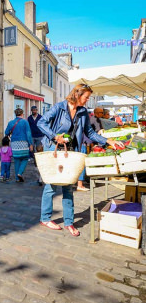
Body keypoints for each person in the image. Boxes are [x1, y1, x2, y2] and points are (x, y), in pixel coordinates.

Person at [37, 84, 124, 237]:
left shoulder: (83, 112)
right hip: (54, 149)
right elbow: (41, 123)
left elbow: (89, 132)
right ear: (77, 94)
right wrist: (55, 136)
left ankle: (69, 222)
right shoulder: (59, 107)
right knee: (51, 185)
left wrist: (107, 141)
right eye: (86, 97)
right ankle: (45, 218)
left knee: (68, 187)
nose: (87, 100)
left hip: (71, 151)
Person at [5, 108, 33, 182]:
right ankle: (20, 173)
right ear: (22, 114)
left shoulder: (11, 122)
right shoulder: (25, 122)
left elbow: (6, 132)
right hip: (23, 143)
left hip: (14, 144)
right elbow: (28, 133)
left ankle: (17, 179)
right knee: (25, 158)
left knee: (16, 160)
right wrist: (31, 144)